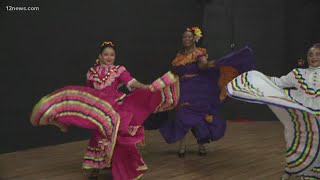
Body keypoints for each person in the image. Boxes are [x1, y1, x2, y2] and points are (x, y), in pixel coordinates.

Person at [30, 41, 179, 180]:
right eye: (106, 54)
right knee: (98, 135)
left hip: (114, 106)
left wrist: (146, 87)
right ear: (100, 56)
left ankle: (120, 165)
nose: (109, 57)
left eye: (112, 55)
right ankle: (96, 166)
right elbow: (87, 92)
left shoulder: (118, 70)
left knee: (117, 133)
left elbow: (131, 82)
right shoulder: (91, 72)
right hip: (98, 108)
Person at [144, 27, 255, 157]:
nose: (186, 39)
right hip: (183, 88)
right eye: (184, 37)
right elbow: (174, 73)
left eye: (189, 36)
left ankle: (201, 144)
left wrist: (210, 64)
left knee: (199, 116)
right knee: (181, 114)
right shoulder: (179, 56)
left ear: (194, 38)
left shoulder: (198, 53)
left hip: (198, 89)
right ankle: (182, 147)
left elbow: (202, 65)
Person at [226, 43, 320, 180]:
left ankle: (314, 173)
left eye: (317, 54)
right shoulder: (298, 73)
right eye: (310, 54)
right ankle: (293, 169)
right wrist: (259, 76)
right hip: (302, 114)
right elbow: (278, 82)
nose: (313, 57)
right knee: (295, 140)